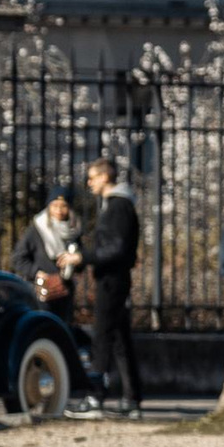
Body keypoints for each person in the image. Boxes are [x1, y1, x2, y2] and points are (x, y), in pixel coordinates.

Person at [74, 158, 143, 418]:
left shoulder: (117, 206)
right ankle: (131, 398)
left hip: (111, 280)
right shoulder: (118, 205)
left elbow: (115, 248)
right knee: (119, 339)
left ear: (105, 177)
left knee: (102, 336)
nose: (89, 183)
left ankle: (96, 396)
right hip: (115, 278)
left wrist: (83, 257)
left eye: (92, 177)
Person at [11, 187, 83, 323]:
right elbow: (18, 258)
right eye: (55, 206)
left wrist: (74, 262)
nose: (59, 211)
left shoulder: (74, 230)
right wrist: (37, 272)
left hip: (65, 291)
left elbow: (80, 262)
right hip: (43, 291)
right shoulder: (37, 229)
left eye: (64, 206)